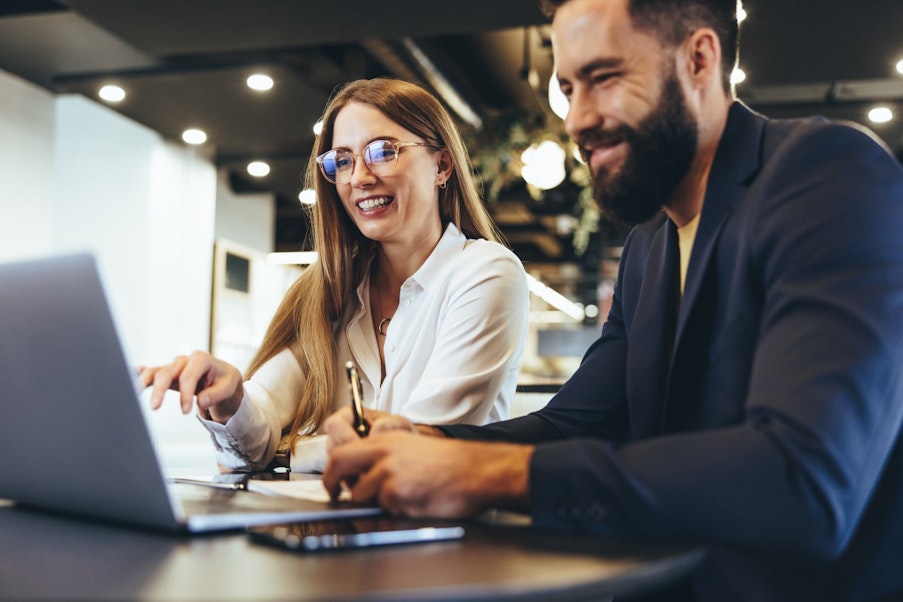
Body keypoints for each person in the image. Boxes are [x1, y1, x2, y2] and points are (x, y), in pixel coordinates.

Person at [322, 1, 903, 600]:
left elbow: (804, 480)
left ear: (699, 59)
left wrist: (493, 473)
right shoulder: (650, 243)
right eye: (568, 88)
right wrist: (429, 441)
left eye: (603, 79)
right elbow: (576, 423)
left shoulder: (828, 175)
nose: (576, 119)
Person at [141, 78, 529, 473]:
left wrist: (288, 453)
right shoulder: (330, 290)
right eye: (342, 160)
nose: (359, 176)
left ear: (441, 165)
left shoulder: (486, 273)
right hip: (339, 530)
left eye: (383, 151)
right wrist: (231, 399)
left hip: (451, 530)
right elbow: (259, 424)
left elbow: (418, 446)